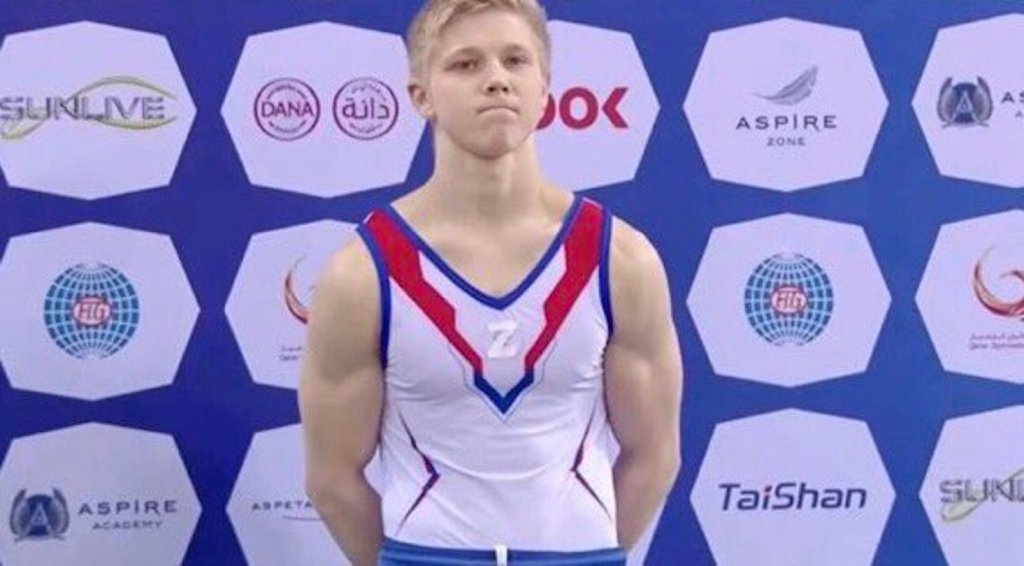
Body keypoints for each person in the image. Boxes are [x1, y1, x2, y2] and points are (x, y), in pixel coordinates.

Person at [298, 1, 682, 564]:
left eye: (515, 61)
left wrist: (584, 556)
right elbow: (332, 480)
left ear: (545, 90)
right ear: (420, 95)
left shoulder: (621, 259)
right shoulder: (361, 273)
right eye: (466, 65)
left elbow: (655, 455)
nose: (497, 80)